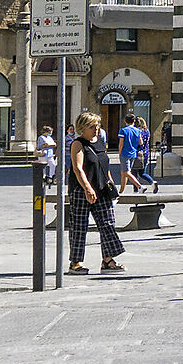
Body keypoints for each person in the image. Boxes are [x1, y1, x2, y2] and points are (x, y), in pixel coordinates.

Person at [65, 110, 127, 274]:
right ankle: (75, 262)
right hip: (81, 190)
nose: (96, 129)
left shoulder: (99, 141)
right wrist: (87, 188)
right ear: (82, 128)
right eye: (92, 126)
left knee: (107, 224)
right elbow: (78, 168)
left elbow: (103, 164)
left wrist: (111, 184)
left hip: (101, 189)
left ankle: (108, 260)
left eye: (97, 126)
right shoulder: (78, 144)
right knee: (79, 226)